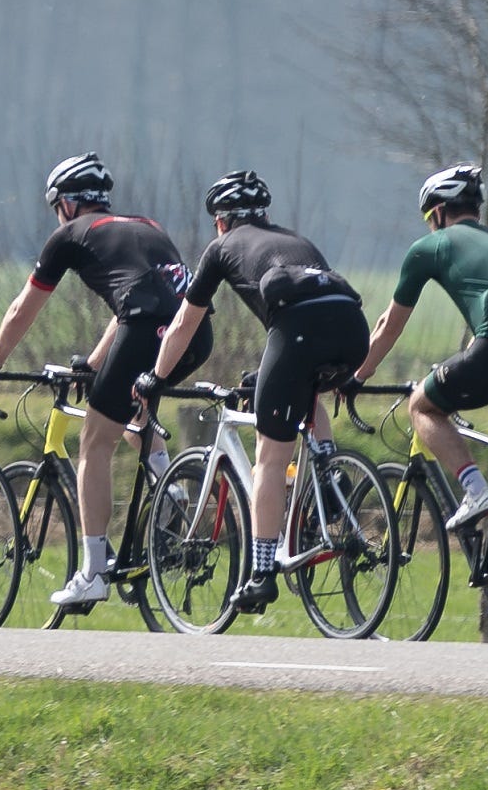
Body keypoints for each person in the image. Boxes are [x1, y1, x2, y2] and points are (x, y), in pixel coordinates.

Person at [148, 168, 367, 618]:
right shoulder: (296, 240)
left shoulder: (222, 247)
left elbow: (184, 325)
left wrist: (156, 377)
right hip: (352, 333)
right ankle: (328, 476)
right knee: (308, 391)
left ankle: (261, 574)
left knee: (270, 456)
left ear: (222, 220)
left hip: (300, 333)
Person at [0, 152, 199, 613]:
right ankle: (168, 485)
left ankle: (94, 571)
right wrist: (97, 363)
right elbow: (135, 303)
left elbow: (24, 307)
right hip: (194, 334)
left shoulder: (69, 236)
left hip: (147, 330)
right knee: (129, 409)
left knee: (93, 443)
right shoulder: (148, 224)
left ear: (65, 203)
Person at [364, 161, 488, 631]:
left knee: (422, 404)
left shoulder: (429, 247)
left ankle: (474, 489)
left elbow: (389, 324)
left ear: (437, 212)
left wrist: (358, 373)